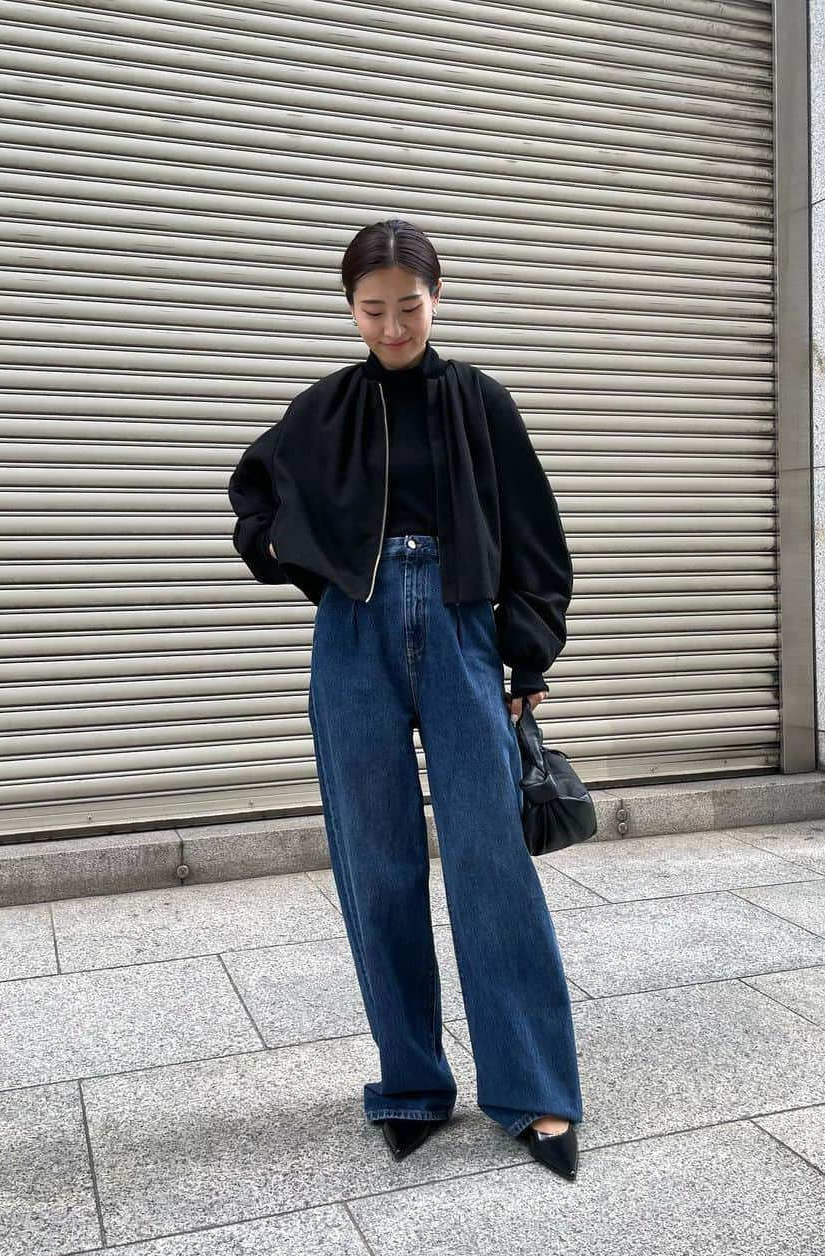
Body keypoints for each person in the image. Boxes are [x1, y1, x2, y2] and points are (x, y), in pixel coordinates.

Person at [228, 218, 583, 1181]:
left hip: (464, 627)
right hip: (355, 638)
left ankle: (536, 1089)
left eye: (409, 306)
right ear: (350, 308)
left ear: (439, 297)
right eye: (372, 309)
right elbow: (252, 494)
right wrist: (297, 561)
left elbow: (538, 539)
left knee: (490, 862)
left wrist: (528, 656)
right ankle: (411, 1082)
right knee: (375, 860)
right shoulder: (327, 408)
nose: (392, 326)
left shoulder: (480, 401)